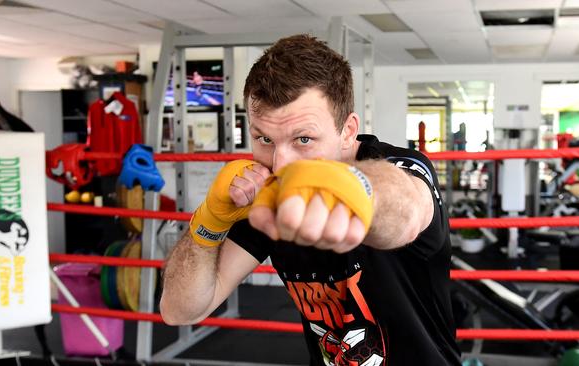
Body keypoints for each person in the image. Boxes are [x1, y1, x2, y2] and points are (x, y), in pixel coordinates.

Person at [161, 34, 461, 366]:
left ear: (347, 130)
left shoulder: (401, 167)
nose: (280, 164)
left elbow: (407, 210)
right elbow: (179, 310)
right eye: (264, 138)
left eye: (303, 139)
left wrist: (354, 190)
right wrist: (209, 222)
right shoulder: (268, 190)